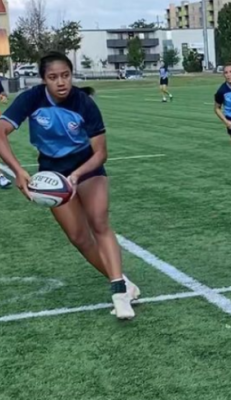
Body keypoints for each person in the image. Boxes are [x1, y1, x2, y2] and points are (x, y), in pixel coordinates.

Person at [0, 51, 139, 320]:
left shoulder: (84, 103)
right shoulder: (31, 99)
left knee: (99, 221)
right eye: (53, 77)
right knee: (78, 237)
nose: (61, 82)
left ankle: (119, 294)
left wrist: (75, 176)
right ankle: (122, 280)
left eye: (65, 75)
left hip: (87, 168)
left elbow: (101, 153)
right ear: (43, 80)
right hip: (51, 172)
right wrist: (18, 171)